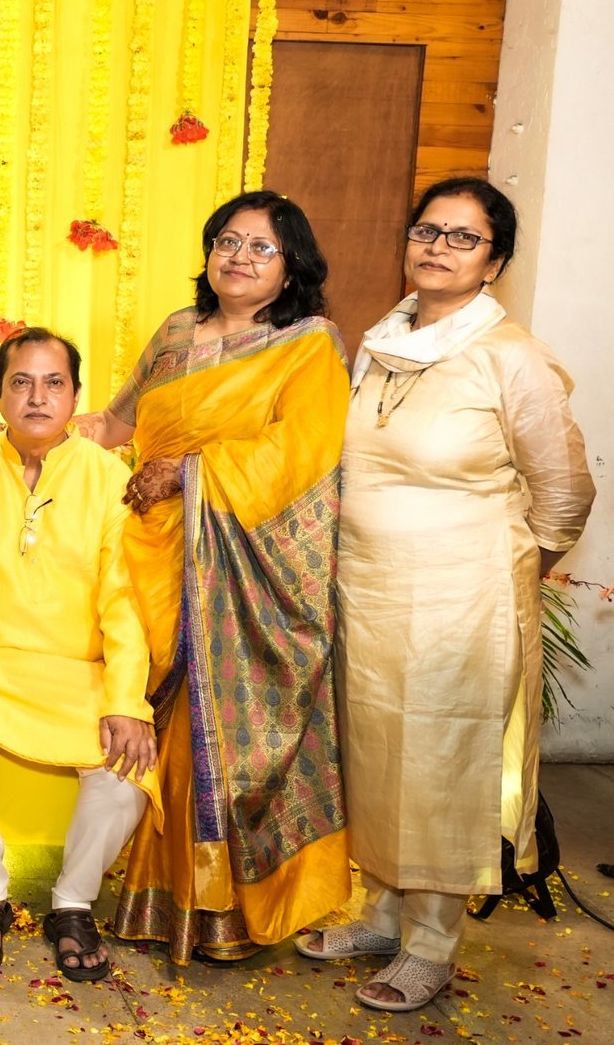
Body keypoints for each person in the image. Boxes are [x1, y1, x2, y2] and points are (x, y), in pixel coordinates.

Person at [296, 178, 594, 1012]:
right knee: (375, 756)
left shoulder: (510, 356)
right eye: (428, 230)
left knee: (439, 766)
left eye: (464, 237)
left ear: (494, 262)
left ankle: (431, 941)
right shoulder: (383, 338)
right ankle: (380, 912)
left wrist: (510, 571)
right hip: (368, 590)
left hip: (463, 601)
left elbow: (566, 491)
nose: (438, 247)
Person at [96, 191, 352, 964]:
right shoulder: (177, 330)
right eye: (226, 241)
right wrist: (15, 432)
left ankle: (218, 907)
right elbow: (113, 426)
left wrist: (192, 472)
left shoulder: (307, 345)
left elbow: (305, 452)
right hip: (149, 548)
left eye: (260, 247)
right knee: (151, 719)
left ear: (291, 267)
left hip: (238, 571)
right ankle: (154, 891)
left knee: (201, 736)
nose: (238, 258)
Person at [0, 328, 158, 983]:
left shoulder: (110, 478)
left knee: (128, 771)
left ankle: (73, 904)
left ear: (75, 396)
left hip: (78, 672)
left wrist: (126, 701)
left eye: (54, 383)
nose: (37, 397)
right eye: (21, 382)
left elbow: (124, 601)